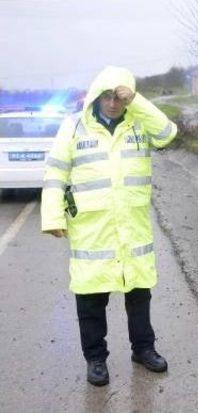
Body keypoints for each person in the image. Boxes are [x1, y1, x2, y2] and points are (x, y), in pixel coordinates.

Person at [40, 66, 178, 386]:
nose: (113, 103)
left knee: (138, 294)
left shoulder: (139, 123)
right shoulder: (74, 127)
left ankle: (143, 349)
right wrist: (51, 216)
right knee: (90, 298)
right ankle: (96, 359)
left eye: (119, 97)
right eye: (107, 96)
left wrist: (137, 101)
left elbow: (167, 133)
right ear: (95, 96)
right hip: (92, 229)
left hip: (132, 226)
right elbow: (56, 172)